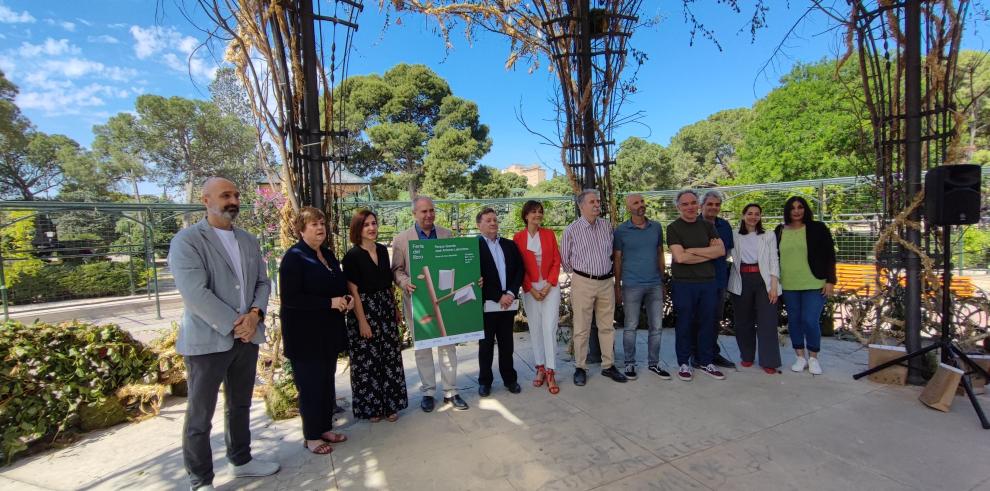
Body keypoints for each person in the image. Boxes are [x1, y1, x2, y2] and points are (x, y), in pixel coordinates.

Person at [168, 177, 279, 490]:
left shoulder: (248, 240)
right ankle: (200, 480)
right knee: (200, 416)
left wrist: (255, 315)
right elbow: (194, 293)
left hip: (246, 337)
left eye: (236, 195)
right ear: (206, 200)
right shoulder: (188, 241)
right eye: (225, 195)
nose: (233, 200)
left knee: (240, 404)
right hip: (208, 341)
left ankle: (241, 460)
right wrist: (237, 323)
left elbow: (263, 282)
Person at [278, 206, 352, 455]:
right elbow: (291, 298)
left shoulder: (327, 254)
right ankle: (311, 437)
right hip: (304, 336)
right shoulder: (294, 257)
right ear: (301, 230)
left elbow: (338, 285)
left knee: (325, 383)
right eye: (314, 225)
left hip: (327, 331)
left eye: (322, 223)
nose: (320, 228)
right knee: (309, 386)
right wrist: (328, 302)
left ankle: (324, 428)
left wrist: (344, 299)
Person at [392, 196, 469, 411]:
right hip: (417, 302)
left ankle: (451, 391)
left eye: (431, 211)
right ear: (414, 214)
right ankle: (427, 392)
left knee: (448, 345)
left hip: (444, 299)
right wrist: (405, 283)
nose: (428, 215)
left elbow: (457, 264)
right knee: (423, 348)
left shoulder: (446, 234)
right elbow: (396, 270)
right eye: (424, 211)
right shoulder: (402, 239)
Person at [342, 209, 408, 422]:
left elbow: (387, 283)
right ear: (358, 229)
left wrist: (395, 309)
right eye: (366, 225)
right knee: (368, 362)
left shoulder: (381, 250)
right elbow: (353, 291)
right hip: (365, 310)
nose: (371, 228)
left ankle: (390, 405)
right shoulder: (351, 256)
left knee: (389, 358)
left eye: (374, 223)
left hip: (385, 309)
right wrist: (362, 321)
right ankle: (373, 408)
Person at [561, 189, 628, 386]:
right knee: (582, 327)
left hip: (606, 282)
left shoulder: (607, 226)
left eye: (598, 201)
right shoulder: (571, 230)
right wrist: (584, 274)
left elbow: (611, 255)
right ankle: (580, 367)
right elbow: (565, 261)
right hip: (583, 282)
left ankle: (608, 365)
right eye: (592, 202)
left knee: (607, 326)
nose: (597, 204)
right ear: (581, 206)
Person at [666, 190, 727, 382]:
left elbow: (720, 251)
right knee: (685, 324)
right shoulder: (673, 228)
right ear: (678, 207)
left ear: (698, 205)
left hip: (707, 282)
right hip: (684, 284)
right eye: (685, 204)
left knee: (708, 323)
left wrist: (692, 250)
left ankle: (705, 361)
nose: (690, 207)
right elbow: (680, 257)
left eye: (693, 203)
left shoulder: (708, 225)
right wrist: (707, 252)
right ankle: (684, 362)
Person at [775, 196, 837, 375]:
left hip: (814, 282)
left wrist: (831, 280)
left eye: (800, 207)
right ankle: (800, 357)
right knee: (794, 321)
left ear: (805, 209)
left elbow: (829, 255)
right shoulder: (779, 231)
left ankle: (813, 357)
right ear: (787, 210)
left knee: (810, 320)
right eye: (792, 208)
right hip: (788, 283)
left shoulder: (817, 228)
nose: (796, 211)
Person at [613, 193, 670, 380]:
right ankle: (630, 364)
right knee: (630, 326)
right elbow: (618, 260)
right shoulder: (621, 231)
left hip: (654, 284)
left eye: (642, 201)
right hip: (631, 285)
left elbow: (660, 253)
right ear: (629, 208)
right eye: (636, 203)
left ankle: (654, 363)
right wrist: (618, 287)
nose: (641, 205)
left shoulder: (656, 227)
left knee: (657, 327)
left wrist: (662, 281)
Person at [727, 203, 782, 374]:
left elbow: (774, 260)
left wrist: (773, 285)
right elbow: (724, 253)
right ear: (743, 216)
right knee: (743, 321)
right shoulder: (734, 235)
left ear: (760, 217)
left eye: (757, 214)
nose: (753, 217)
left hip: (763, 280)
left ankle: (769, 360)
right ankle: (747, 356)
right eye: (749, 213)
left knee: (768, 321)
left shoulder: (769, 235)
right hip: (741, 279)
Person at [514, 200, 562, 395]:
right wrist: (530, 289)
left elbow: (556, 261)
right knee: (535, 328)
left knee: (549, 327)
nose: (538, 215)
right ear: (526, 215)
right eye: (534, 212)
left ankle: (551, 370)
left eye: (540, 212)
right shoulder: (518, 238)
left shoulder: (549, 234)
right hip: (530, 288)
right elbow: (518, 267)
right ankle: (540, 367)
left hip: (550, 287)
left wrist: (549, 284)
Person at [476, 208, 525, 397]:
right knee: (486, 345)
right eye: (488, 220)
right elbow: (476, 278)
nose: (493, 223)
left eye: (495, 220)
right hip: (488, 304)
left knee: (507, 344)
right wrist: (498, 296)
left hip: (508, 303)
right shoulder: (474, 247)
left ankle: (510, 379)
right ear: (479, 225)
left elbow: (519, 269)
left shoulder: (509, 245)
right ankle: (485, 382)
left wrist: (511, 292)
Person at [695, 190, 736, 369]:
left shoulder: (724, 226)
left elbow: (725, 252)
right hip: (696, 280)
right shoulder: (691, 225)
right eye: (710, 204)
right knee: (696, 319)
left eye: (717, 205)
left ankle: (712, 353)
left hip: (718, 280)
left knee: (713, 320)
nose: (713, 208)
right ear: (701, 206)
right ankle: (695, 355)